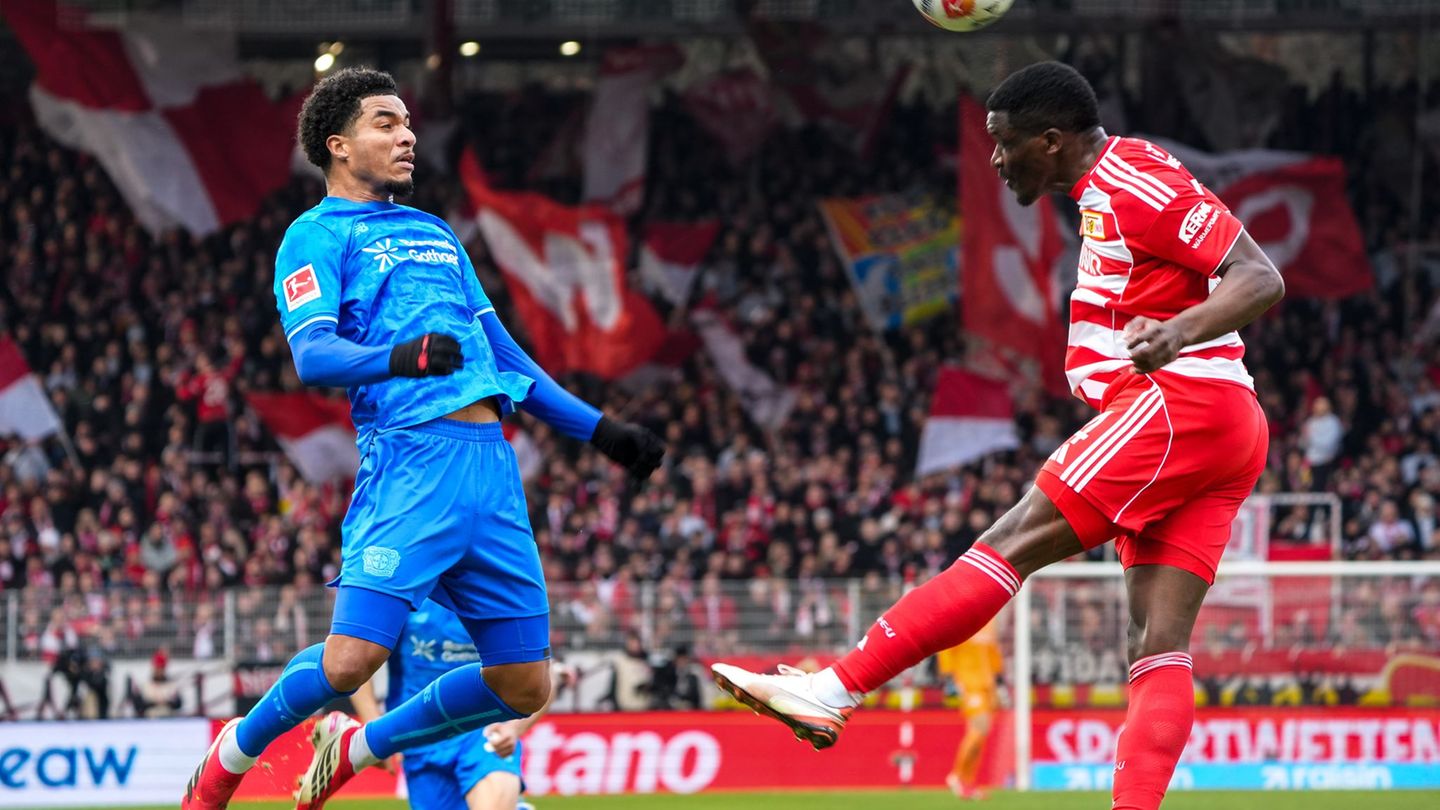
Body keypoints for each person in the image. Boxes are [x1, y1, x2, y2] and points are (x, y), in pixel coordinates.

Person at [711, 61, 1284, 810]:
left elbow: (1259, 276)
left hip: (1182, 405)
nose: (994, 157)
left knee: (1009, 541)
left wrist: (1177, 333)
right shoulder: (1105, 191)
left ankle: (835, 688)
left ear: (1051, 141)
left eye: (1004, 141)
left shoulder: (1135, 179)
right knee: (1156, 643)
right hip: (1221, 422)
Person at [181, 67, 664, 810]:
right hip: (410, 462)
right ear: (338, 144)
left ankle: (363, 744)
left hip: (492, 471)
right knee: (350, 663)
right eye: (385, 122)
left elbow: (504, 358)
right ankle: (233, 752)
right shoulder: (312, 236)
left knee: (522, 683)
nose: (406, 135)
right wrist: (400, 358)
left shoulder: (435, 234)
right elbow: (313, 356)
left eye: (407, 122)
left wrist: (599, 430)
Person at [319, 598, 549, 810]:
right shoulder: (408, 588)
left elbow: (542, 677)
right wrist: (374, 734)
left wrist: (515, 727)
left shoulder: (498, 591)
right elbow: (356, 659)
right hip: (419, 737)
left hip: (483, 729)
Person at [935, 619, 1003, 800]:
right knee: (979, 727)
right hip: (967, 683)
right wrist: (950, 679)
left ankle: (967, 782)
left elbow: (992, 652)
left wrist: (997, 682)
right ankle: (957, 776)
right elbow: (947, 649)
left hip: (987, 685)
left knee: (982, 732)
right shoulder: (961, 620)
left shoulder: (989, 624)